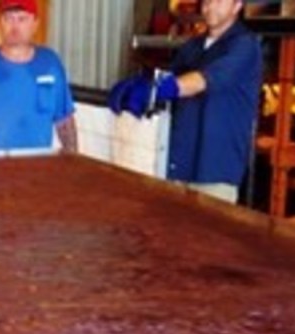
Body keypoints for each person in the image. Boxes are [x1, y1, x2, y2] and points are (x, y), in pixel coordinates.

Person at [108, 0, 262, 204]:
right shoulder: (192, 47)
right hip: (177, 166)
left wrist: (158, 89)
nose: (210, 6)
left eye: (220, 1)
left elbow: (202, 81)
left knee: (208, 225)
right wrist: (141, 84)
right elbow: (171, 79)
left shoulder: (245, 46)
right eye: (207, 0)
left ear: (237, 6)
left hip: (215, 173)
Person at [0, 0, 78, 152]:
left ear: (35, 24)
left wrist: (73, 160)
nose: (14, 26)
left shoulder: (50, 63)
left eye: (22, 19)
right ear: (0, 23)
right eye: (8, 18)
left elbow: (64, 120)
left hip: (39, 162)